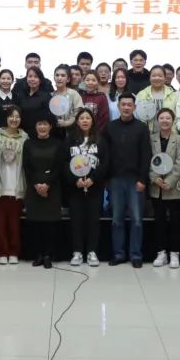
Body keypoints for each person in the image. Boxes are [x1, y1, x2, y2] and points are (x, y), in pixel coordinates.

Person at [102, 93, 152, 267]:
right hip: (115, 179)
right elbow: (105, 154)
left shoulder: (141, 128)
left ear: (134, 107)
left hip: (135, 180)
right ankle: (118, 254)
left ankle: (136, 255)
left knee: (137, 220)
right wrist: (107, 178)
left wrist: (142, 179)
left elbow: (146, 155)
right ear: (118, 107)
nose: (126, 107)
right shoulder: (110, 127)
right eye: (123, 104)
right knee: (117, 220)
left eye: (129, 105)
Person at [22, 116, 66, 268]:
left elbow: (59, 167)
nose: (42, 127)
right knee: (35, 223)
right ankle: (38, 254)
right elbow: (26, 167)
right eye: (39, 124)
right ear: (35, 126)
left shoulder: (58, 144)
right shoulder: (28, 144)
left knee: (50, 224)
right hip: (34, 187)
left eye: (45, 124)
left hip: (52, 187)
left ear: (50, 127)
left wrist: (47, 184)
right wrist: (36, 185)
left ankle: (48, 255)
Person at [66, 108, 106, 267]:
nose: (84, 121)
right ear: (77, 121)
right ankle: (77, 251)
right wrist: (75, 180)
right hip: (75, 188)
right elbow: (63, 162)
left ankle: (92, 251)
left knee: (93, 220)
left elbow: (105, 163)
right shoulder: (70, 140)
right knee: (76, 220)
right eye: (81, 118)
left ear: (92, 121)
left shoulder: (100, 140)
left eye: (87, 118)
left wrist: (93, 179)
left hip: (94, 187)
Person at [149, 107, 180, 269]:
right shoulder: (151, 139)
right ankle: (161, 253)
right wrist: (154, 178)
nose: (164, 121)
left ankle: (175, 253)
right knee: (160, 222)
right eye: (162, 118)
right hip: (156, 187)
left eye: (168, 118)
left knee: (176, 221)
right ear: (157, 121)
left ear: (173, 121)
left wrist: (169, 181)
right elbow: (148, 159)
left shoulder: (179, 140)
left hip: (174, 187)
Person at [0, 107, 28, 265]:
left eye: (17, 117)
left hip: (17, 184)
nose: (14, 119)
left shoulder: (25, 137)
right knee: (0, 222)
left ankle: (14, 251)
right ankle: (2, 252)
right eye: (11, 116)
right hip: (0, 184)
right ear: (6, 118)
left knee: (15, 222)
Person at [134, 65, 176, 134]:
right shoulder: (142, 94)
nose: (157, 78)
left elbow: (176, 118)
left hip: (169, 134)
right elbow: (137, 116)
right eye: (154, 76)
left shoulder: (173, 95)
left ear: (165, 78)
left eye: (160, 76)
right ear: (149, 78)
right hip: (146, 134)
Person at [49, 65, 84, 137]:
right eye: (57, 75)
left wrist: (68, 122)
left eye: (63, 75)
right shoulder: (50, 95)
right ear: (54, 78)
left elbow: (79, 112)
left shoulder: (73, 94)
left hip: (72, 133)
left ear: (68, 79)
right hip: (54, 133)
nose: (59, 78)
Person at [15, 66, 51, 134]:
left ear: (40, 80)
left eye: (36, 77)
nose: (32, 79)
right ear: (26, 79)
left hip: (39, 133)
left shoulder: (46, 96)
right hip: (22, 133)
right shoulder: (21, 95)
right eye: (30, 76)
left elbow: (49, 118)